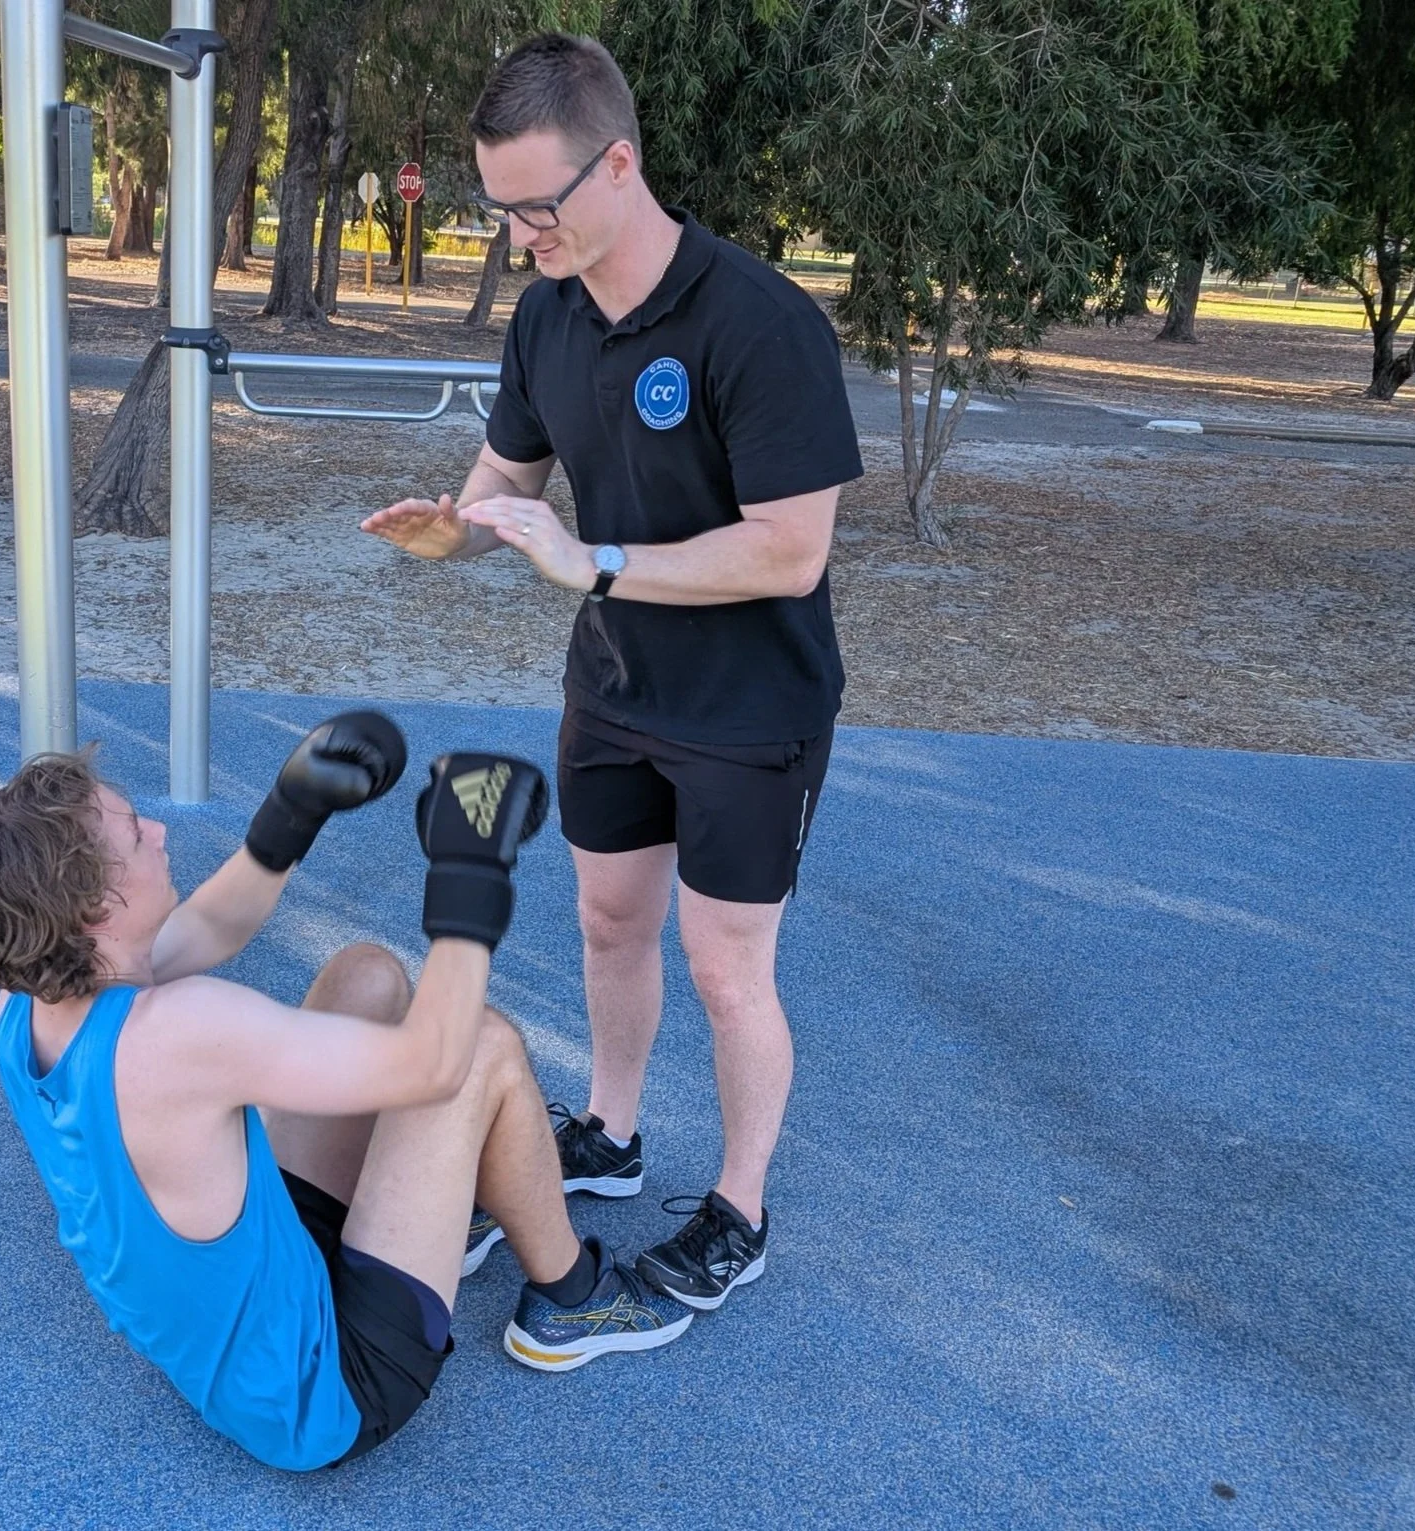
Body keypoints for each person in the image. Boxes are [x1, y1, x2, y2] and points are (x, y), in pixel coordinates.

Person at [361, 34, 864, 1314]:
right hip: (615, 687)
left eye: (536, 205)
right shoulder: (545, 314)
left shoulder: (757, 323)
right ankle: (613, 1126)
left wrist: (593, 562)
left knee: (725, 968)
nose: (517, 231)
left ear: (618, 163)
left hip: (753, 706)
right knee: (605, 922)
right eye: (499, 209)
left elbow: (789, 550)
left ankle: (738, 1206)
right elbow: (507, 485)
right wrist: (451, 531)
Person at [0, 714, 690, 1473]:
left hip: (266, 1281)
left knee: (365, 972)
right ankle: (576, 1299)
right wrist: (471, 872)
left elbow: (206, 926)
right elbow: (432, 1063)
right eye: (134, 833)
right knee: (483, 1046)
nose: (160, 830)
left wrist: (292, 810)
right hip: (322, 1391)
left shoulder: (25, 995)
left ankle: (434, 1216)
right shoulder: (174, 1036)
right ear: (96, 909)